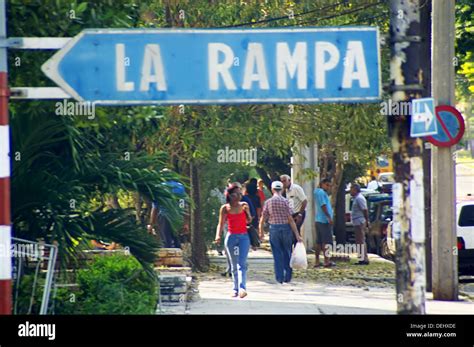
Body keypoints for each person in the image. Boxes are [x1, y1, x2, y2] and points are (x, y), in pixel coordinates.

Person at [259, 181, 303, 284]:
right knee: (287, 252)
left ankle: (279, 277)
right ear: (282, 189)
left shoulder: (268, 202)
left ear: (272, 189)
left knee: (277, 254)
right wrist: (297, 235)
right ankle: (287, 276)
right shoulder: (286, 201)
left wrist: (261, 232)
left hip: (274, 229)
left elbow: (262, 218)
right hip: (286, 229)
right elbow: (291, 219)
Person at [215, 185, 252, 298]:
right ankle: (235, 289)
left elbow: (249, 220)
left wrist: (247, 212)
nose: (239, 196)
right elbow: (221, 224)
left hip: (244, 237)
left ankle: (242, 288)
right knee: (233, 264)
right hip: (231, 237)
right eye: (236, 194)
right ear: (230, 195)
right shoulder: (225, 208)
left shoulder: (244, 206)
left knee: (242, 263)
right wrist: (218, 236)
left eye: (240, 194)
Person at [314, 178, 335, 268]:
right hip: (324, 220)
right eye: (327, 185)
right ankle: (327, 260)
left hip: (319, 219)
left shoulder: (317, 192)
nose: (328, 187)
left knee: (319, 241)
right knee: (326, 242)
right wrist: (329, 217)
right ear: (322, 184)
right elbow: (323, 205)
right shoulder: (321, 193)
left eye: (329, 185)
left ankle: (317, 261)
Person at [280, 174, 307, 245]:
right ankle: (294, 250)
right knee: (292, 232)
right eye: (281, 181)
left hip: (298, 212)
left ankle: (297, 249)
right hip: (291, 214)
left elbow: (304, 201)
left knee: (295, 232)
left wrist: (300, 214)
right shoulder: (286, 191)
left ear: (289, 180)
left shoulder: (296, 188)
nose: (283, 183)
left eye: (284, 181)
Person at [350, 183, 370, 265]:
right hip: (356, 222)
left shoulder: (359, 198)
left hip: (360, 222)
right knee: (359, 241)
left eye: (351, 189)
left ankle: (364, 259)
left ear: (355, 190)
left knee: (361, 240)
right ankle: (361, 258)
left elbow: (365, 210)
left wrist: (367, 221)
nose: (350, 191)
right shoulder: (356, 198)